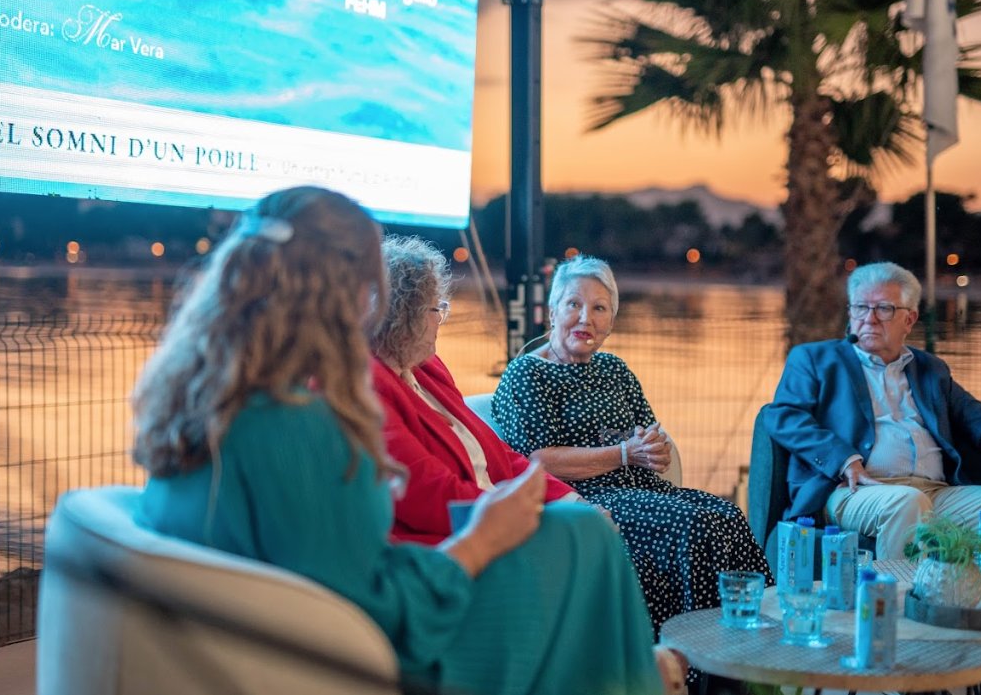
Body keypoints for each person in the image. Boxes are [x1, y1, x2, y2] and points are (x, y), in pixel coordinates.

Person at [132, 188, 678, 695]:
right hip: (364, 652)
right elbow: (381, 610)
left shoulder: (207, 395)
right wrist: (481, 540)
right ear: (353, 297)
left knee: (581, 541)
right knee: (582, 546)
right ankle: (632, 675)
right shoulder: (296, 424)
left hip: (266, 637)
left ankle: (626, 673)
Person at [763, 260, 981, 688]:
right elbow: (783, 417)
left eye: (883, 309)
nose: (869, 318)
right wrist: (845, 458)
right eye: (860, 308)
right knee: (906, 503)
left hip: (937, 492)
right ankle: (901, 650)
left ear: (910, 318)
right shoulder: (815, 359)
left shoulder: (930, 370)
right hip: (856, 488)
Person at [492, 254, 773, 632]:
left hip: (640, 488)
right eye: (573, 304)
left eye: (599, 308)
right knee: (693, 525)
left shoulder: (615, 368)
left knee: (727, 516)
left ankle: (754, 644)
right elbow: (537, 459)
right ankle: (698, 657)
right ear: (552, 311)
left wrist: (655, 447)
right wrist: (624, 454)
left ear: (611, 322)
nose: (585, 318)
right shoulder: (528, 373)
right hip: (582, 496)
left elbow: (649, 434)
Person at [370, 236, 583, 545]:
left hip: (496, 513)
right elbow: (428, 493)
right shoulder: (371, 385)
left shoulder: (428, 368)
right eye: (436, 309)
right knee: (591, 544)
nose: (441, 321)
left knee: (594, 527)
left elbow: (498, 455)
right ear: (406, 316)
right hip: (461, 536)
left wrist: (571, 502)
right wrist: (530, 518)